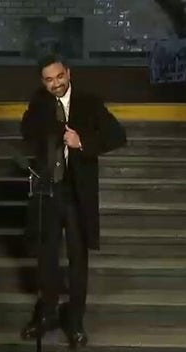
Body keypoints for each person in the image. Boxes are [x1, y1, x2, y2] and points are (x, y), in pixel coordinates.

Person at [19, 54, 127, 348]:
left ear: (68, 72)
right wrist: (45, 128)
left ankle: (75, 318)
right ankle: (48, 312)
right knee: (46, 256)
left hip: (77, 192)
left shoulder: (90, 102)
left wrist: (84, 143)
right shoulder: (39, 102)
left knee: (79, 257)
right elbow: (25, 132)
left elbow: (118, 135)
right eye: (49, 80)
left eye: (59, 77)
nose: (55, 84)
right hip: (47, 190)